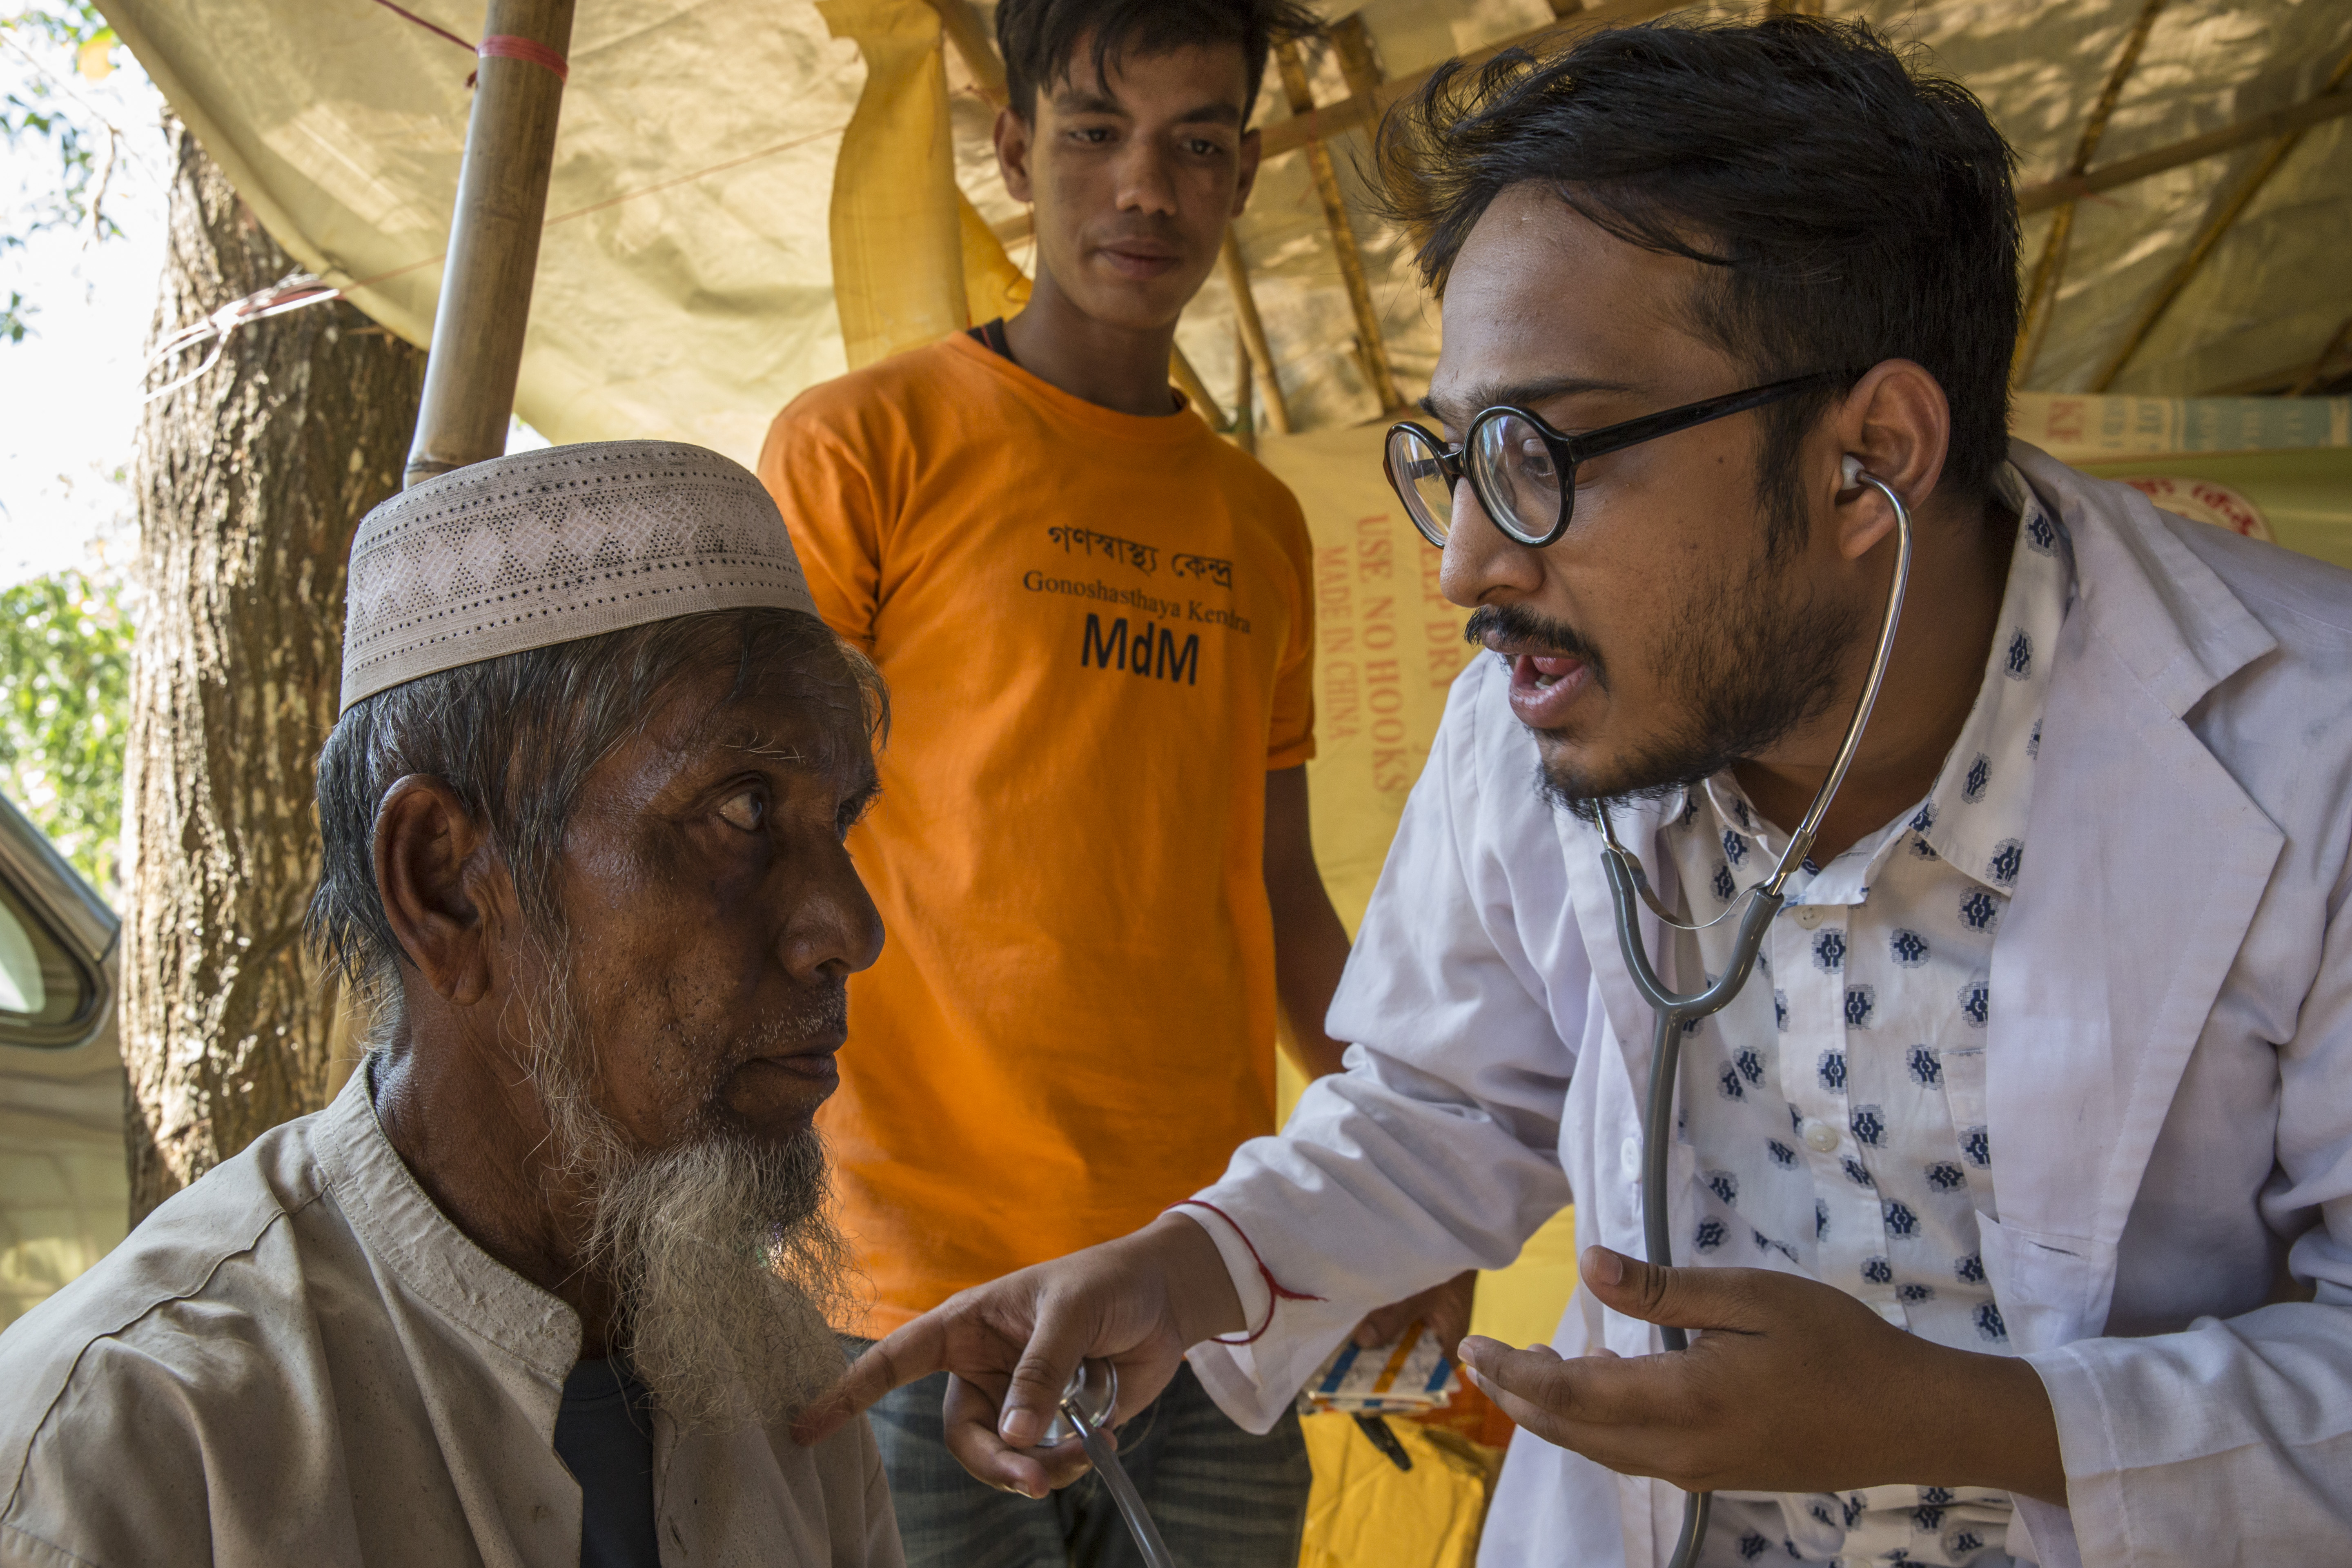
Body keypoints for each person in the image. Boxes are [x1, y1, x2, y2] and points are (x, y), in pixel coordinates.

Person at [796, 17, 2352, 1567]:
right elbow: (1449, 1100)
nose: (1469, 560)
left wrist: (1966, 1422)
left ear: (1868, 457)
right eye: (1462, 453)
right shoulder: (1542, 710)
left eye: (1546, 448)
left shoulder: (2307, 755)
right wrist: (1197, 1266)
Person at [755, 0, 1472, 1561]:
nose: (1143, 189)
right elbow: (751, 846)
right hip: (907, 1278)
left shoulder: (1260, 524)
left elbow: (1280, 894)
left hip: (1206, 1276)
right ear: (1016, 154)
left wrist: (1397, 1184)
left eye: (1195, 145)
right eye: (1094, 134)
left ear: (1240, 178)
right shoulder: (858, 452)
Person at [0, 443, 906, 1568]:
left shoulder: (792, 1389)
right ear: (444, 884)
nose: (849, 928)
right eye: (741, 808)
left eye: (843, 823)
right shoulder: (127, 1449)